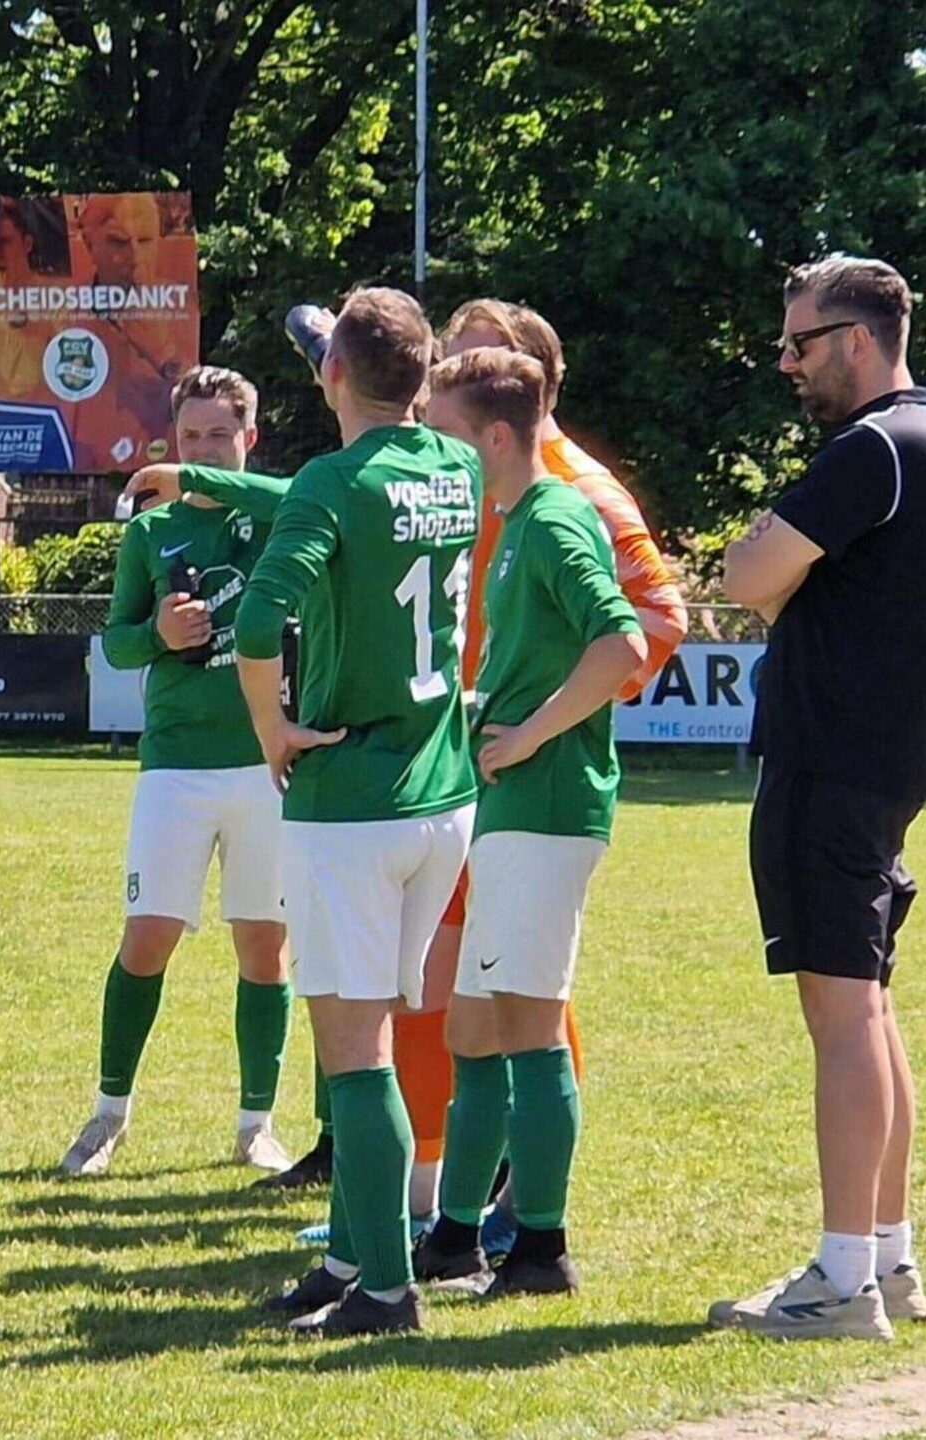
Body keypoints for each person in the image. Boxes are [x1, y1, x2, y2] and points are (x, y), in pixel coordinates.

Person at [202, 285, 483, 1338]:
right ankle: (358, 1253)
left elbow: (261, 614)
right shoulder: (452, 463)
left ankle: (383, 1287)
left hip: (353, 799)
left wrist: (271, 729)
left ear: (329, 376)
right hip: (439, 791)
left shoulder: (328, 480)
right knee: (372, 1034)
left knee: (351, 1050)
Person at [392, 300, 687, 1243]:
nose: (430, 450)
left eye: (442, 431)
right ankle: (452, 1226)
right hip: (503, 799)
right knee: (473, 1027)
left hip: (546, 799)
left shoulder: (563, 509)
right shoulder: (512, 510)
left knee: (524, 1022)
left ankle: (539, 1238)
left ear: (500, 423)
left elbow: (632, 638)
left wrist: (530, 733)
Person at [713, 256, 926, 1341]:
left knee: (843, 1016)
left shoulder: (872, 447)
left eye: (798, 342)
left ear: (856, 338)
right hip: (872, 767)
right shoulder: (921, 440)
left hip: (831, 769)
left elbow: (747, 575)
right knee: (867, 1009)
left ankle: (841, 1277)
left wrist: (765, 563)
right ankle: (886, 1260)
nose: (785, 362)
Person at [60, 366, 300, 1181]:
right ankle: (108, 1114)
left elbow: (303, 495)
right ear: (172, 438)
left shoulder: (277, 519)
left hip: (266, 762)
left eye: (219, 436)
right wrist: (160, 632)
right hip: (176, 766)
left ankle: (256, 1126)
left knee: (265, 948)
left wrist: (210, 482)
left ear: (248, 439)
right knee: (147, 938)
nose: (202, 450)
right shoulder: (148, 536)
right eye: (190, 438)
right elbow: (117, 643)